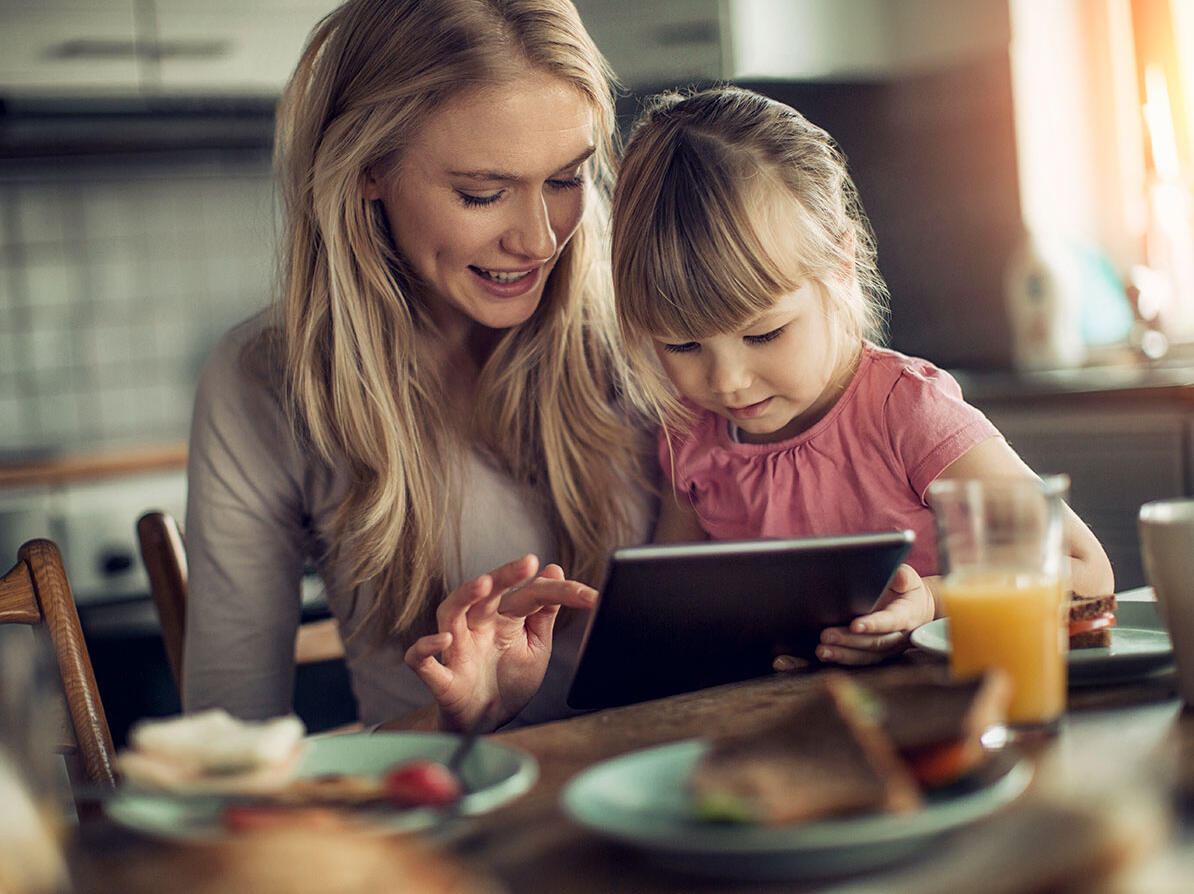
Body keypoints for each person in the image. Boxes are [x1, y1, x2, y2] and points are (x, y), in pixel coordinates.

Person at [184, 0, 652, 734]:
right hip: (445, 814)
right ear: (368, 170)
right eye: (482, 193)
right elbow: (230, 734)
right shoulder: (265, 382)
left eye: (566, 179)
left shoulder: (651, 328)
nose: (538, 239)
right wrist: (457, 728)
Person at [608, 86, 1115, 665]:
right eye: (682, 344)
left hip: (942, 714)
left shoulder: (907, 413)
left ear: (841, 266)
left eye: (764, 334)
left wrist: (928, 603)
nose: (726, 380)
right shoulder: (687, 435)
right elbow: (670, 613)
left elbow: (1086, 574)